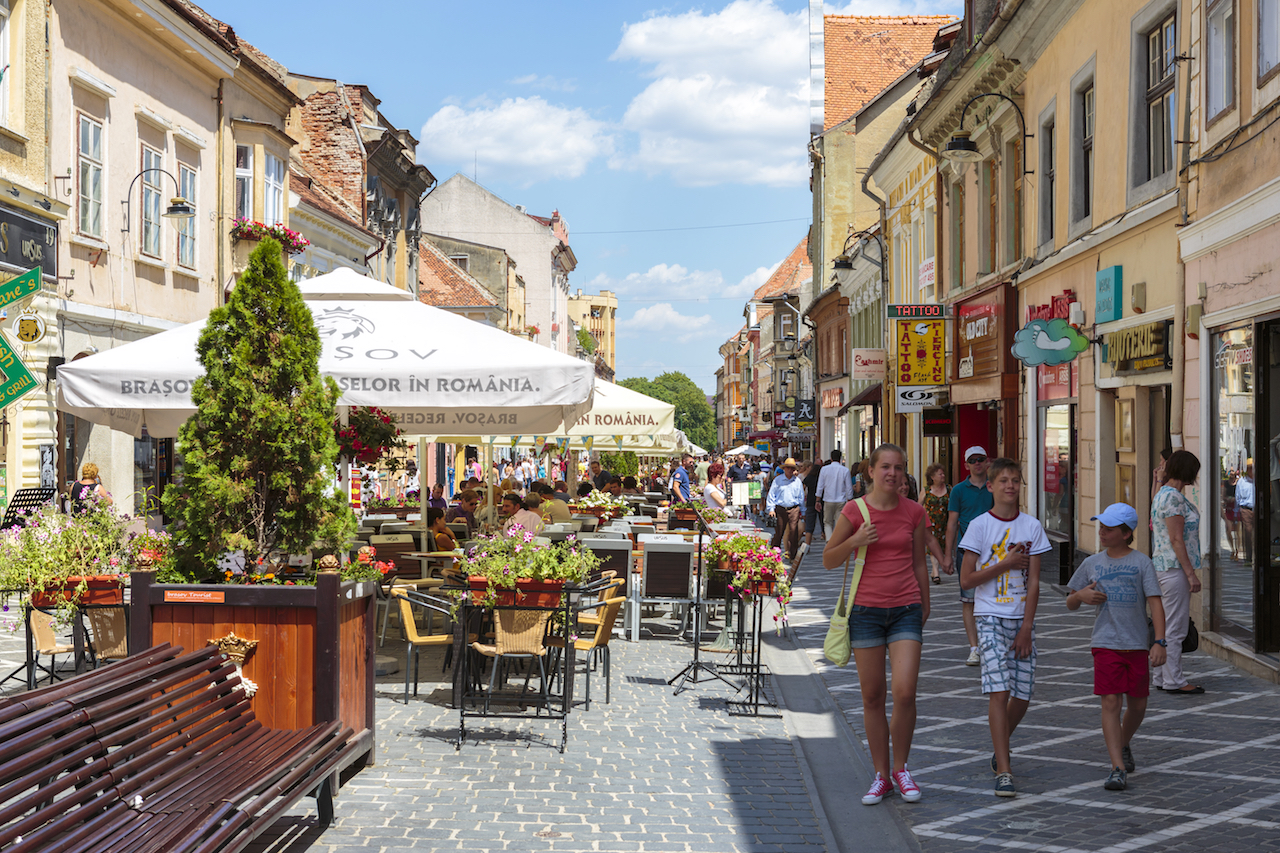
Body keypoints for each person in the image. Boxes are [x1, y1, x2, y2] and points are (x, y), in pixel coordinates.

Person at [822, 443, 929, 805]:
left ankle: (902, 768)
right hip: (865, 612)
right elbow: (828, 560)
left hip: (905, 609)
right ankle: (881, 775)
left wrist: (924, 604)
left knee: (905, 692)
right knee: (872, 696)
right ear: (870, 471)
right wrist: (855, 539)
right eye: (885, 467)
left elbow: (918, 563)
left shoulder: (914, 511)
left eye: (898, 468)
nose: (892, 474)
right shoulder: (855, 510)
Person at [959, 458, 1051, 799]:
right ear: (992, 486)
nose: (1010, 486)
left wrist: (1028, 625)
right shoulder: (980, 526)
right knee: (999, 691)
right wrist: (1006, 564)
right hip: (989, 616)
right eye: (1004, 481)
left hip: (1020, 618)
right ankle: (1005, 767)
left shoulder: (1032, 527)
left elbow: (1036, 582)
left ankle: (999, 747)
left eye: (1015, 480)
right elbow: (967, 579)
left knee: (1022, 695)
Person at [1066, 503, 1167, 792]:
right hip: (1105, 643)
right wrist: (1082, 595)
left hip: (1135, 644)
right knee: (1111, 703)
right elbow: (1070, 602)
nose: (1101, 532)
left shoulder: (1141, 563)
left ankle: (1122, 743)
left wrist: (1159, 642)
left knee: (1138, 704)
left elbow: (1155, 603)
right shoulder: (1092, 563)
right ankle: (1117, 768)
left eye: (1108, 529)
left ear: (1126, 533)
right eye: (1101, 527)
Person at [1151, 450, 1205, 695]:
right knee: (1176, 627)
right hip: (1174, 569)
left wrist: (1158, 479)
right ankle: (1175, 680)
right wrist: (1190, 574)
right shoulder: (1173, 498)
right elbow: (1176, 539)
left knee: (1167, 625)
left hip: (1163, 567)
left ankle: (1161, 676)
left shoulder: (1163, 493)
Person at [946, 446, 994, 666]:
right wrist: (947, 555)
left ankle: (991, 643)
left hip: (995, 553)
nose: (977, 463)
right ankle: (974, 647)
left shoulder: (995, 487)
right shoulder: (958, 490)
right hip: (967, 554)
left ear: (987, 462)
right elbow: (952, 523)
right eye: (972, 460)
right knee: (969, 601)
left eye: (980, 459)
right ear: (966, 465)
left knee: (993, 598)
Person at [766, 458, 805, 563]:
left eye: (792, 468)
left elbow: (801, 497)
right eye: (788, 468)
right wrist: (771, 509)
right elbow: (771, 495)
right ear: (784, 469)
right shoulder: (778, 480)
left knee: (793, 532)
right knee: (779, 532)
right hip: (780, 509)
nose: (789, 470)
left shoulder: (797, 482)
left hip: (794, 509)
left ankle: (793, 556)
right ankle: (774, 554)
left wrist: (803, 511)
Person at [921, 464, 951, 585]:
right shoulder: (926, 490)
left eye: (943, 473)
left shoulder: (949, 489)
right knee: (933, 546)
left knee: (942, 546)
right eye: (940, 474)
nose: (943, 476)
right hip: (930, 523)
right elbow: (918, 506)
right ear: (932, 477)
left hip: (945, 522)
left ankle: (934, 572)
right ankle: (936, 571)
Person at [816, 449, 853, 540]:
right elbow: (849, 487)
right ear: (840, 459)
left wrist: (817, 500)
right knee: (839, 522)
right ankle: (837, 540)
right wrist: (850, 500)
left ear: (831, 458)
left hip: (828, 499)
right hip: (841, 500)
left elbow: (820, 486)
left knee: (828, 522)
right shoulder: (845, 470)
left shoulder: (824, 469)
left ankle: (829, 539)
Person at [1235, 461, 1255, 562]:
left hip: (1258, 509)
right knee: (1248, 533)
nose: (1251, 470)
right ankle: (1249, 557)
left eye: (1252, 468)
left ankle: (1258, 557)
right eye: (1249, 468)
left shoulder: (1259, 480)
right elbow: (1237, 497)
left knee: (1259, 533)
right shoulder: (1241, 482)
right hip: (1246, 510)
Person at [802, 459, 823, 548]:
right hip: (821, 502)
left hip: (810, 502)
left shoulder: (809, 477)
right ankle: (828, 543)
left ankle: (807, 545)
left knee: (809, 525)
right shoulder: (821, 478)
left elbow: (802, 487)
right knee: (824, 523)